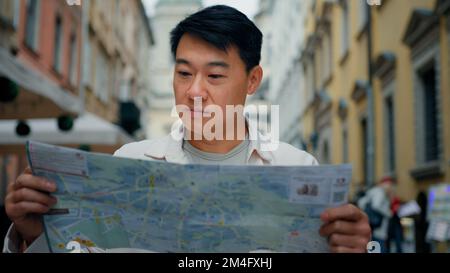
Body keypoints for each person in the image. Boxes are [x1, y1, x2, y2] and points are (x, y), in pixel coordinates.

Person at [3, 5, 371, 253]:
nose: (195, 91)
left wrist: (354, 247)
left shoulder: (298, 170)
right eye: (183, 73)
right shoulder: (128, 163)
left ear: (252, 80)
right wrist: (32, 235)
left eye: (214, 75)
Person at [358, 177, 393, 253]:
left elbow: (361, 203)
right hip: (378, 228)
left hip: (372, 226)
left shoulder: (372, 192)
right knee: (380, 248)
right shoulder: (380, 192)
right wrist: (388, 213)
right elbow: (376, 205)